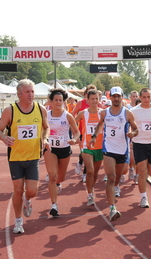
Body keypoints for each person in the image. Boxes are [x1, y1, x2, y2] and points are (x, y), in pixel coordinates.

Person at [0, 79, 50, 234]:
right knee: (18, 189)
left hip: (33, 157)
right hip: (16, 158)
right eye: (27, 92)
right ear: (19, 94)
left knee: (32, 191)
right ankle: (18, 221)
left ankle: (28, 200)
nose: (31, 94)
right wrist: (4, 137)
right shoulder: (10, 110)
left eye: (32, 91)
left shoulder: (40, 110)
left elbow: (46, 127)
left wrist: (44, 139)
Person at [89, 86, 138, 221]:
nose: (116, 99)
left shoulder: (127, 113)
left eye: (118, 96)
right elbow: (100, 125)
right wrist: (94, 136)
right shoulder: (105, 113)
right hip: (108, 149)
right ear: (110, 97)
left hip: (122, 150)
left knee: (118, 177)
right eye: (114, 96)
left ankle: (116, 186)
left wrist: (132, 133)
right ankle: (112, 209)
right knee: (110, 177)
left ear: (122, 97)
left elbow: (136, 129)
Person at [44, 88, 79, 217]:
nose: (58, 102)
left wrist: (74, 140)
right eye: (56, 100)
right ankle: (54, 205)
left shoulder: (67, 116)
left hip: (64, 148)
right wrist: (44, 139)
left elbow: (77, 132)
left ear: (64, 102)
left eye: (60, 100)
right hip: (50, 148)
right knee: (52, 176)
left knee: (61, 177)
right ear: (51, 102)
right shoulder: (46, 115)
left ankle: (58, 183)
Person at [130, 88, 151, 208]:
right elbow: (131, 125)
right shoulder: (134, 111)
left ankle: (143, 180)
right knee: (142, 171)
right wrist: (131, 134)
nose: (146, 99)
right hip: (139, 143)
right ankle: (143, 197)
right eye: (144, 97)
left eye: (148, 97)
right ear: (140, 97)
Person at [75, 89, 104, 206]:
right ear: (87, 100)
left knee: (95, 172)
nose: (95, 101)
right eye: (92, 99)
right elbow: (72, 123)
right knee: (90, 170)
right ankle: (90, 194)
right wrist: (75, 135)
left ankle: (91, 190)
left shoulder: (103, 113)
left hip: (100, 146)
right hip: (86, 146)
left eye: (96, 98)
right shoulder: (83, 113)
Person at [71, 84, 97, 182]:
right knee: (83, 152)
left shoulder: (97, 104)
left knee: (90, 154)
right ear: (86, 94)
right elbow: (73, 113)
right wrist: (74, 124)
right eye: (89, 92)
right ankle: (80, 161)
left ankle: (85, 173)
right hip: (83, 131)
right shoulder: (81, 103)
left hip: (94, 133)